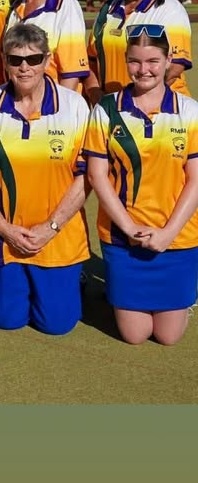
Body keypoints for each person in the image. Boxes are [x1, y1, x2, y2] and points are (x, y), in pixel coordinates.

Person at [0, 24, 90, 335]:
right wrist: (4, 228)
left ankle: (71, 277)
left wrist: (50, 228)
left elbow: (86, 177)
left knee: (57, 325)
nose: (25, 67)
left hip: (56, 236)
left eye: (33, 59)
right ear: (5, 62)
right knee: (7, 320)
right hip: (3, 237)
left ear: (47, 60)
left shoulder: (74, 105)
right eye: (15, 59)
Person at [85, 24, 198, 345]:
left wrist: (167, 234)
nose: (143, 69)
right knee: (135, 336)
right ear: (125, 60)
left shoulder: (189, 112)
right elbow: (97, 175)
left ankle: (181, 300)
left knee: (168, 336)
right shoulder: (107, 109)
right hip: (124, 239)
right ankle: (120, 289)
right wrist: (129, 228)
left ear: (167, 61)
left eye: (152, 61)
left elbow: (196, 180)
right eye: (135, 61)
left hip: (177, 239)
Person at [85, 0, 192, 104]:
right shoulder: (107, 10)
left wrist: (132, 102)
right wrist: (96, 95)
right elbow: (90, 60)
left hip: (162, 113)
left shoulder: (169, 10)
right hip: (113, 112)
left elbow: (175, 67)